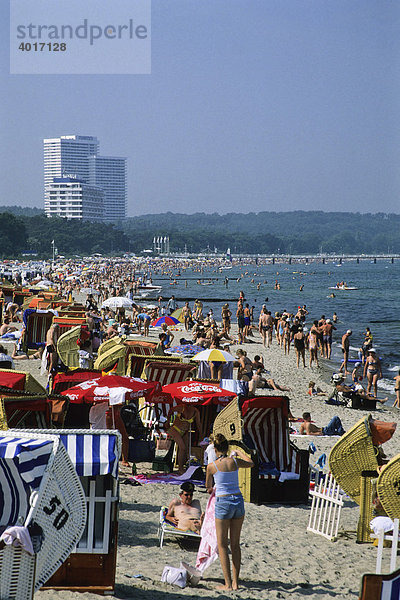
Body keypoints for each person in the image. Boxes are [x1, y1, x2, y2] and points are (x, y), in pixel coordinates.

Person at [205, 433, 254, 591]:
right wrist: (239, 452)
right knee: (235, 545)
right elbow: (251, 463)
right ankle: (236, 583)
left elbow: (208, 487)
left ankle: (227, 584)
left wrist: (212, 489)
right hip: (238, 501)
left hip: (224, 502)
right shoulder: (234, 461)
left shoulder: (212, 466)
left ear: (215, 448)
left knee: (222, 545)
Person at [166, 403, 201, 474]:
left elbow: (199, 424)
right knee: (183, 448)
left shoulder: (195, 411)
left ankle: (182, 466)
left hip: (185, 431)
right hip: (175, 429)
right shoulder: (181, 407)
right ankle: (180, 468)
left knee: (186, 449)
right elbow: (171, 410)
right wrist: (168, 421)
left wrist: (201, 436)